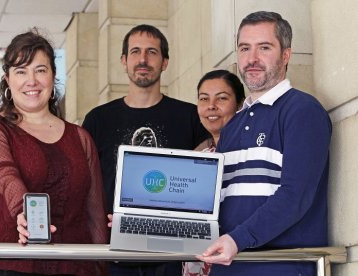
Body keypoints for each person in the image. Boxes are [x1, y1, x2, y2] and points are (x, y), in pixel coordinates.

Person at [197, 11, 332, 275]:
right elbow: (216, 204)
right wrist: (150, 218)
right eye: (245, 48)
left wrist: (238, 239)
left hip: (280, 268)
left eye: (264, 48)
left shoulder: (302, 111)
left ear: (286, 55)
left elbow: (295, 196)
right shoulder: (232, 126)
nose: (252, 59)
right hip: (228, 267)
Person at [0, 28, 108, 275]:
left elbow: (94, 214)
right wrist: (26, 214)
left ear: (53, 75)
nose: (31, 81)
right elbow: (6, 178)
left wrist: (101, 264)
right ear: (7, 80)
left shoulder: (80, 138)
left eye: (40, 70)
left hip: (75, 269)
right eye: (21, 71)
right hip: (10, 267)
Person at [82, 24, 208, 276]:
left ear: (165, 62)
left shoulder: (190, 117)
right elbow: (86, 185)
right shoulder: (98, 119)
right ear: (124, 60)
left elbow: (204, 182)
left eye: (152, 52)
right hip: (112, 253)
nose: (143, 59)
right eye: (135, 51)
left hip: (173, 254)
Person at [183, 70, 245, 276]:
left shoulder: (251, 155)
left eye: (222, 98)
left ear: (240, 105)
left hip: (236, 259)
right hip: (198, 261)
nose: (211, 106)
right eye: (204, 99)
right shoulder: (197, 158)